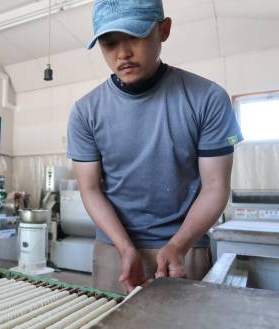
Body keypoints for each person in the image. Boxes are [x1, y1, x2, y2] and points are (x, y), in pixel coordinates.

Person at [67, 0, 243, 293]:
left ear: (164, 30)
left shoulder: (208, 98)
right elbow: (90, 189)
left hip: (186, 247)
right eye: (109, 43)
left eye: (134, 36)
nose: (122, 53)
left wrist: (178, 245)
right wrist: (124, 248)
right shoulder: (85, 111)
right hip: (114, 248)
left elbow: (215, 187)